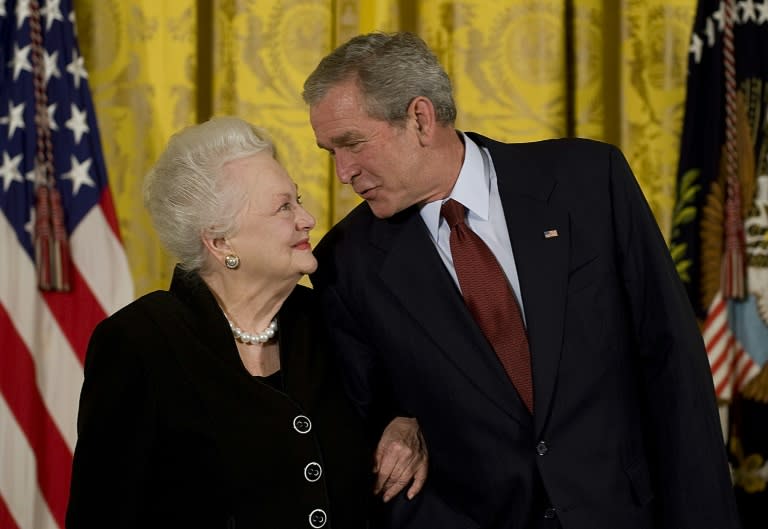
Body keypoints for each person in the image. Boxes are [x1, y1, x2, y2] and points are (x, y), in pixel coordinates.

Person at [303, 31, 742, 529]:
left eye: (352, 144)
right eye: (329, 152)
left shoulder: (589, 180)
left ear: (420, 119)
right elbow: (360, 421)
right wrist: (396, 422)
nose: (342, 172)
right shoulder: (346, 261)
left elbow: (672, 364)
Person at [65, 116, 427, 529]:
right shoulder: (139, 341)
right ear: (220, 242)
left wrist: (407, 422)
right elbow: (102, 513)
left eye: (299, 199)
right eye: (283, 207)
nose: (307, 218)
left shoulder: (327, 318)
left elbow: (410, 398)